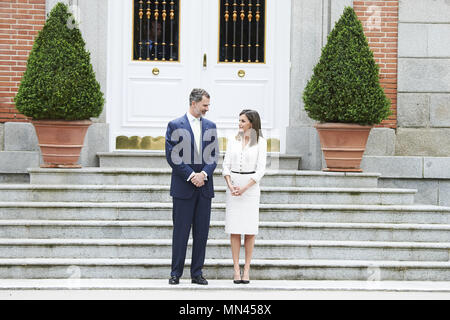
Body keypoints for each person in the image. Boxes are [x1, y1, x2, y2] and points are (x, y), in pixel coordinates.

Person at [165, 88, 219, 285]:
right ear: (194, 103)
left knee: (201, 233)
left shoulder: (211, 126)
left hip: (204, 188)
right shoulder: (174, 125)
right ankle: (175, 273)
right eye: (205, 105)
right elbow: (172, 156)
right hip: (183, 188)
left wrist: (203, 174)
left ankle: (197, 273)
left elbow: (214, 156)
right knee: (180, 232)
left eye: (208, 105)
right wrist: (191, 175)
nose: (207, 109)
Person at [222, 109, 267, 284]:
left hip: (250, 188)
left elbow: (261, 169)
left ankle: (246, 269)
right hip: (233, 187)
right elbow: (225, 165)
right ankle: (235, 269)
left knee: (249, 231)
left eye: (242, 121)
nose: (239, 124)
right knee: (234, 229)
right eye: (239, 120)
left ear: (251, 123)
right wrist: (230, 184)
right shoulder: (232, 141)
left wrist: (245, 188)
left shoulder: (261, 143)